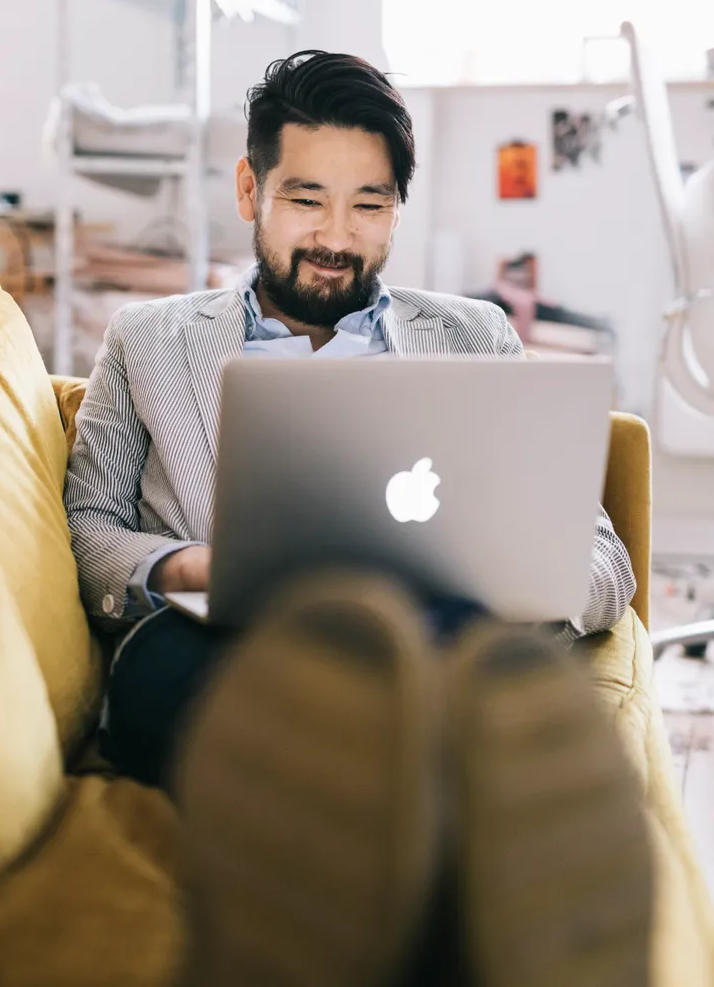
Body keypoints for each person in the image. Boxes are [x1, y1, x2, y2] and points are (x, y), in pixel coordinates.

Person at [65, 51, 649, 983]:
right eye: (307, 200)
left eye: (369, 206)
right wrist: (194, 564)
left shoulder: (475, 337)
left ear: (396, 211)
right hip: (227, 642)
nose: (337, 235)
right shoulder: (149, 341)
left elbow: (602, 560)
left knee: (442, 685)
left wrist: (507, 575)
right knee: (177, 673)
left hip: (435, 638)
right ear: (251, 189)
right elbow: (88, 527)